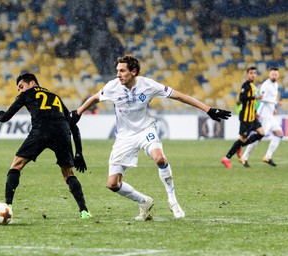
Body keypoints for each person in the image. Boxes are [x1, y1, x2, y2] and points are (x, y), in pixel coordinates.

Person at [70, 55, 231, 221]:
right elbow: (96, 98)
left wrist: (208, 109)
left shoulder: (148, 85)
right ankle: (143, 201)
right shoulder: (112, 86)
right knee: (112, 184)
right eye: (117, 70)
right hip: (124, 136)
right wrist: (78, 112)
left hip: (146, 129)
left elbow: (179, 96)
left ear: (133, 72)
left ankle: (173, 201)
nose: (118, 74)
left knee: (160, 158)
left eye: (122, 71)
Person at [0, 72, 91, 219]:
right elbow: (73, 125)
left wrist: (0, 116)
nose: (20, 90)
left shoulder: (27, 94)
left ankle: (8, 206)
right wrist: (78, 153)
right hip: (62, 133)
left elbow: (7, 116)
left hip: (41, 130)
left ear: (32, 83)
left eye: (21, 86)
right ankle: (84, 211)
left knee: (16, 165)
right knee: (68, 173)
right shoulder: (55, 96)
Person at [221, 66, 264, 168]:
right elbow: (242, 98)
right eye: (251, 73)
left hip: (252, 116)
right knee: (242, 138)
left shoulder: (253, 86)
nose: (253, 75)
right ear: (247, 74)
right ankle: (226, 158)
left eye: (255, 73)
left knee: (261, 133)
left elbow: (251, 103)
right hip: (245, 117)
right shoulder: (246, 85)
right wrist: (255, 97)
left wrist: (255, 111)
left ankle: (239, 146)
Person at [241, 67, 283, 167]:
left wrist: (273, 108)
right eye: (272, 74)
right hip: (264, 115)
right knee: (259, 136)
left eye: (276, 74)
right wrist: (275, 102)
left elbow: (270, 99)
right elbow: (261, 99)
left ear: (278, 75)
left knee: (279, 134)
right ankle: (244, 157)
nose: (274, 76)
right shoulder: (265, 85)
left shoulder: (275, 85)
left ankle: (267, 157)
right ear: (269, 74)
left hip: (270, 115)